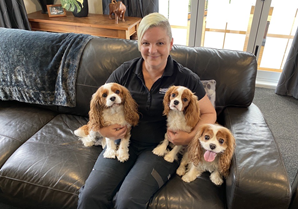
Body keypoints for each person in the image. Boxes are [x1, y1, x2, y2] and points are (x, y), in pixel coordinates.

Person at [77, 12, 217, 209]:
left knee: (127, 202)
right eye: (146, 43)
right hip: (121, 142)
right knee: (90, 197)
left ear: (171, 43)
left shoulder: (186, 78)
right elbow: (98, 105)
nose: (152, 50)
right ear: (138, 44)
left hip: (159, 149)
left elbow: (209, 113)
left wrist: (191, 136)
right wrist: (102, 130)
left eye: (160, 43)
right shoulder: (124, 72)